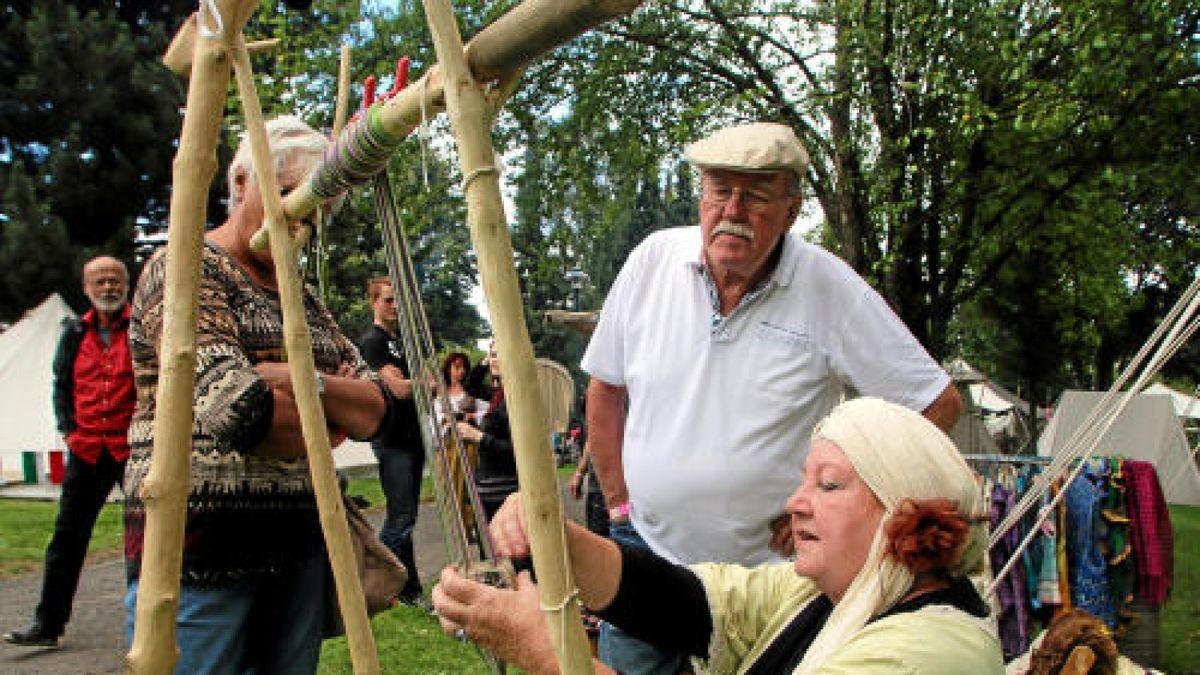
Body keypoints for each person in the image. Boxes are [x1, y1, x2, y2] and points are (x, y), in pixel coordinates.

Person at [582, 122, 963, 673]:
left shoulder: (829, 288)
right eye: (719, 191)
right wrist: (620, 508)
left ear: (791, 210)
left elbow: (935, 403)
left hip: (769, 586)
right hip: (646, 554)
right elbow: (605, 388)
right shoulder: (651, 262)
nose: (732, 209)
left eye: (755, 196)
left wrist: (832, 507)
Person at [433, 398, 1003, 674]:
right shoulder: (833, 596)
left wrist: (544, 650)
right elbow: (698, 603)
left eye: (828, 486)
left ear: (902, 516)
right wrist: (557, 539)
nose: (795, 503)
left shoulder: (927, 656)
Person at [122, 116, 393, 674]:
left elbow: (376, 411)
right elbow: (242, 415)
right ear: (242, 181)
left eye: (319, 209)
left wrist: (294, 377)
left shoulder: (303, 298)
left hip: (296, 549)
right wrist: (323, 409)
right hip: (198, 556)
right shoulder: (186, 269)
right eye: (292, 196)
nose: (305, 219)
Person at [3, 255, 136, 648]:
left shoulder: (143, 329)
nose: (108, 287)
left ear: (125, 285)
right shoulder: (75, 332)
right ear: (86, 288)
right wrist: (70, 431)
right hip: (88, 450)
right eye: (100, 282)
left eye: (114, 280)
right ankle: (48, 625)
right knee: (67, 539)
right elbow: (61, 386)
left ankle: (151, 624)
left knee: (148, 538)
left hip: (133, 450)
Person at [359, 276, 427, 607]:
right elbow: (399, 390)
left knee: (407, 518)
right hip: (393, 439)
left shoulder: (400, 341)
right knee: (400, 520)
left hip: (412, 436)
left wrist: (418, 381)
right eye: (387, 300)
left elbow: (410, 383)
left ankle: (409, 589)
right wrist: (424, 383)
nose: (395, 305)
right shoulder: (373, 342)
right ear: (373, 302)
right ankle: (374, 578)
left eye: (398, 299)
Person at [452, 342, 517, 520]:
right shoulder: (498, 393)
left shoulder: (516, 397)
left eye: (498, 355)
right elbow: (470, 385)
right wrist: (486, 361)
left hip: (505, 492)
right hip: (490, 488)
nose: (493, 361)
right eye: (492, 355)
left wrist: (477, 436)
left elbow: (517, 451)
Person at [440, 350, 487, 426]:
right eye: (457, 367)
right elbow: (434, 415)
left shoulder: (471, 389)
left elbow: (490, 409)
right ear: (448, 369)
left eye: (464, 367)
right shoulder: (441, 391)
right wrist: (444, 418)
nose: (462, 370)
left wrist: (473, 416)